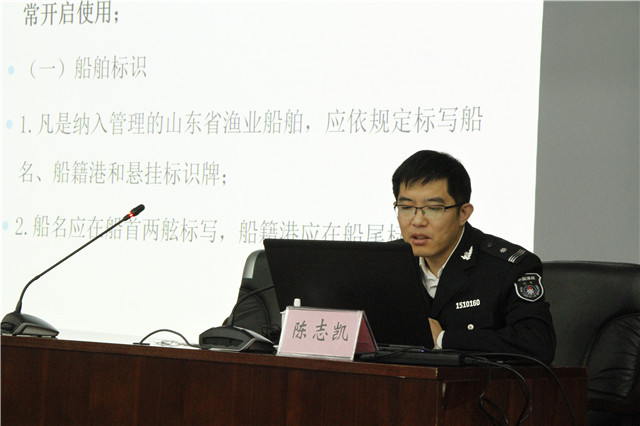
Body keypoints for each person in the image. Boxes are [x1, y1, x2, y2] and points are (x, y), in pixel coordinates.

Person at [392, 150, 556, 364]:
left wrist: (443, 340)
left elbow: (537, 344)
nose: (417, 221)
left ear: (463, 213)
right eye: (406, 207)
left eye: (433, 209)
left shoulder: (508, 267)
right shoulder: (386, 263)